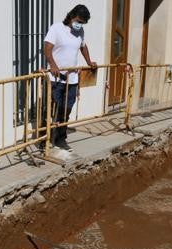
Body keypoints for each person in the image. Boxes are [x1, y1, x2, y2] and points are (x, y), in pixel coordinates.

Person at [42, 4, 96, 152]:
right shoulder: (56, 28)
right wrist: (52, 64)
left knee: (66, 110)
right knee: (49, 110)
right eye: (79, 21)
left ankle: (60, 139)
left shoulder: (80, 32)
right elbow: (47, 47)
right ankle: (43, 141)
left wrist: (89, 62)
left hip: (72, 80)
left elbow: (83, 47)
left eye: (83, 23)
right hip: (55, 79)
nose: (80, 25)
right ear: (72, 16)